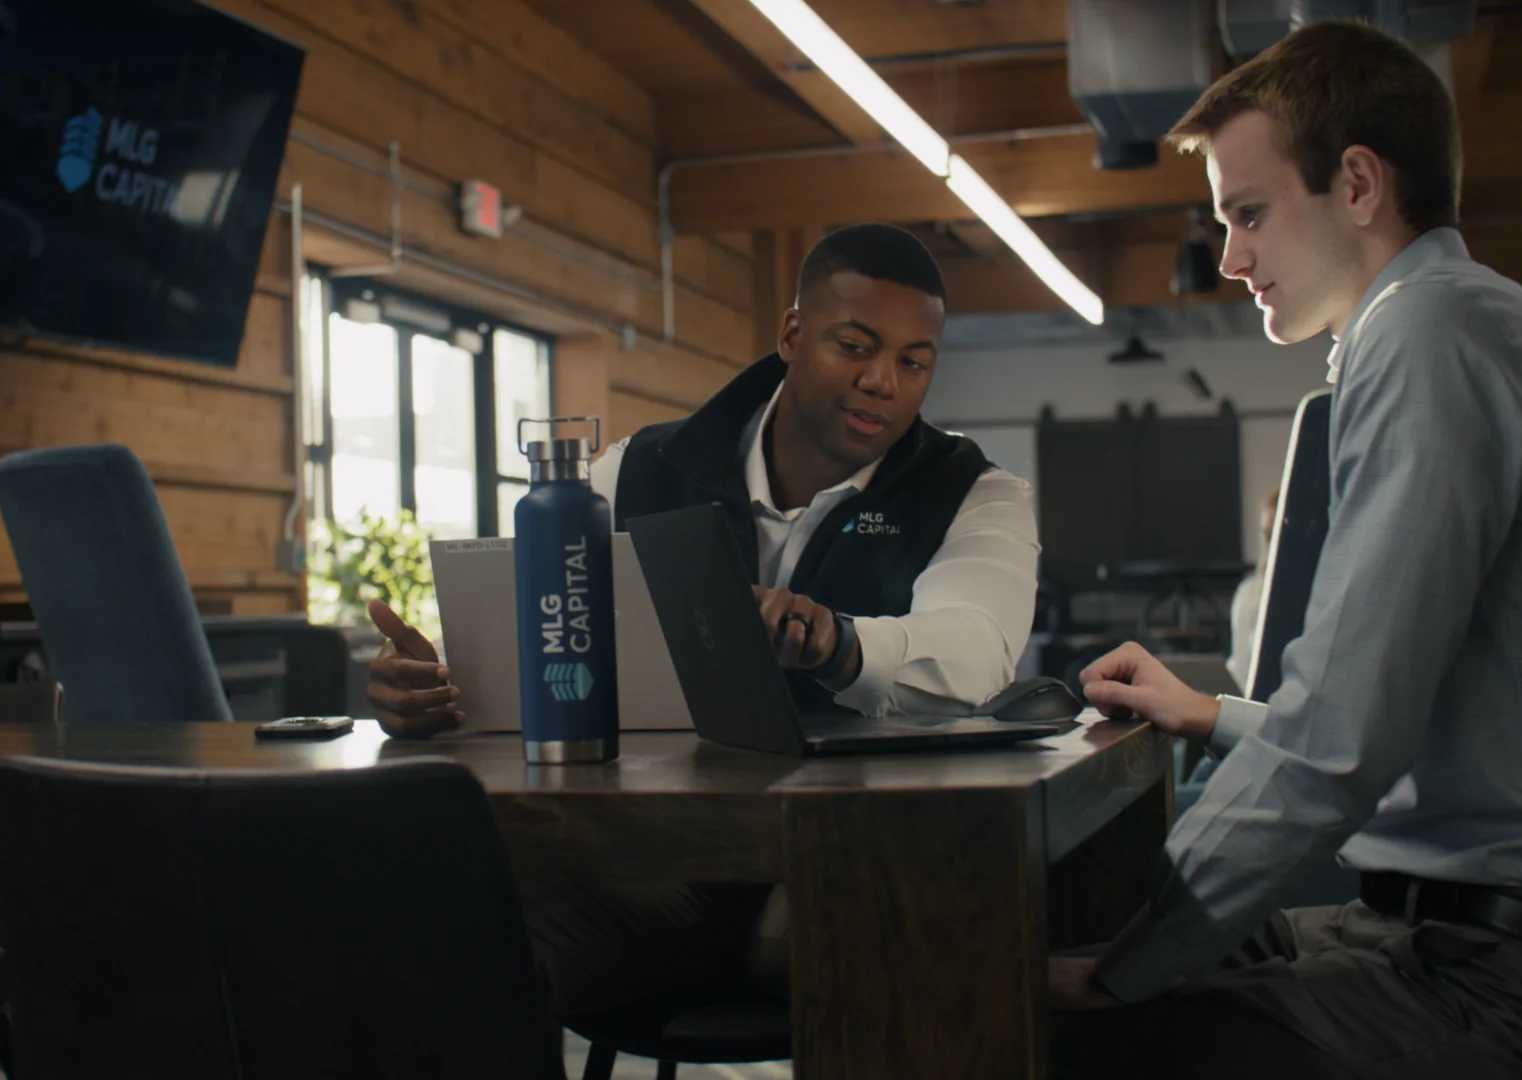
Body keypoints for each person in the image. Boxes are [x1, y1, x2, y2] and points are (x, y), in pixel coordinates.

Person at [1048, 21, 1522, 1079]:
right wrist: (1213, 713)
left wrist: (1138, 963)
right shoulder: (1450, 322)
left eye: (1250, 213)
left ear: (1359, 184)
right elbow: (1407, 721)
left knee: (1057, 1031)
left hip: (1508, 984)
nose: (1230, 258)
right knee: (1069, 952)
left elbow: (1343, 739)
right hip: (1445, 936)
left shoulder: (1427, 331)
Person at [365, 222, 1041, 1014]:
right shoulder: (636, 470)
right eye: (855, 346)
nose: (882, 381)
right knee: (422, 925)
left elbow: (976, 649)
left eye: (912, 362)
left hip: (842, 856)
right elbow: (519, 637)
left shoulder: (978, 494)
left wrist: (839, 641)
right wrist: (429, 685)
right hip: (647, 852)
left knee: (851, 936)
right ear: (792, 333)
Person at [1224, 489, 1278, 693]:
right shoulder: (1248, 593)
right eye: (1265, 533)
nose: (1268, 543)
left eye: (1274, 534)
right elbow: (1238, 666)